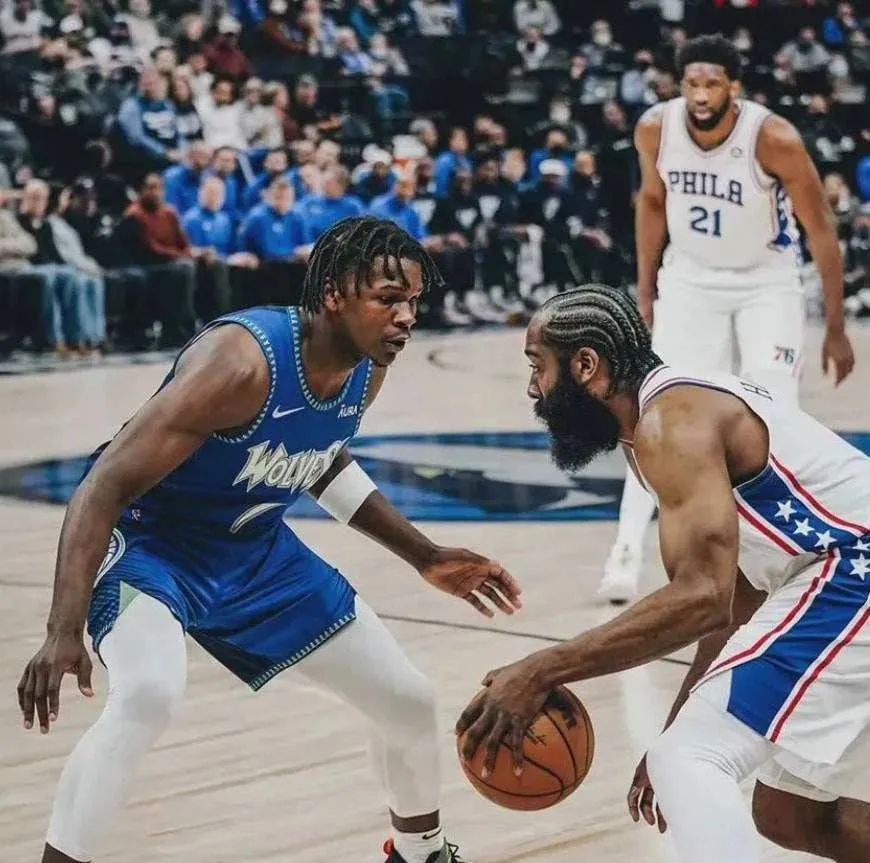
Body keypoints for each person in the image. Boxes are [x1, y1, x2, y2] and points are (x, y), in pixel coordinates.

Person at [18, 216, 521, 863]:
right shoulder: (239, 361)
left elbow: (318, 456)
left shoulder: (366, 368)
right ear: (334, 293)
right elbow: (102, 486)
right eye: (389, 299)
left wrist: (424, 555)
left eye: (414, 302)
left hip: (254, 552)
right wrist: (62, 628)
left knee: (407, 700)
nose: (406, 318)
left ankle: (420, 853)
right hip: (152, 547)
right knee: (149, 692)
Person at [457, 284, 870, 863]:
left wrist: (540, 668)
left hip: (852, 570)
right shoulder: (653, 423)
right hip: (832, 576)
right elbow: (735, 599)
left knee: (689, 760)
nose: (532, 388)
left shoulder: (670, 424)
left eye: (537, 366)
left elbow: (702, 597)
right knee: (790, 813)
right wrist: (674, 723)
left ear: (585, 365)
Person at [600, 34, 856, 603]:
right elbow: (651, 203)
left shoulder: (773, 137)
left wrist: (835, 327)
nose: (700, 94)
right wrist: (646, 291)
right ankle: (625, 552)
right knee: (657, 420)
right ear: (679, 85)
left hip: (767, 283)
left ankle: (783, 558)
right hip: (690, 281)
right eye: (691, 83)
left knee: (772, 417)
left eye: (712, 83)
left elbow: (820, 229)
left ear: (733, 88)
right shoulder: (655, 128)